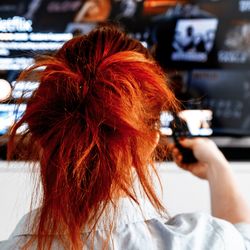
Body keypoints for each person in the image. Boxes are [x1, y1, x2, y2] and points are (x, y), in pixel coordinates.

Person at [1, 24, 250, 250]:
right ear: (150, 142)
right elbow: (243, 238)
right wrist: (217, 166)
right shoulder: (203, 243)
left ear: (40, 138)